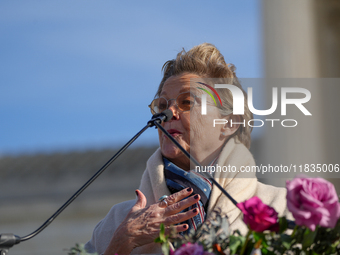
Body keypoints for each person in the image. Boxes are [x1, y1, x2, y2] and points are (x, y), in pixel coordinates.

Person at [85, 43, 290, 255]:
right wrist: (120, 244)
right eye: (162, 106)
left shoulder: (282, 208)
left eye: (187, 101)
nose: (168, 114)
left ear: (228, 123)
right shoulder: (117, 222)